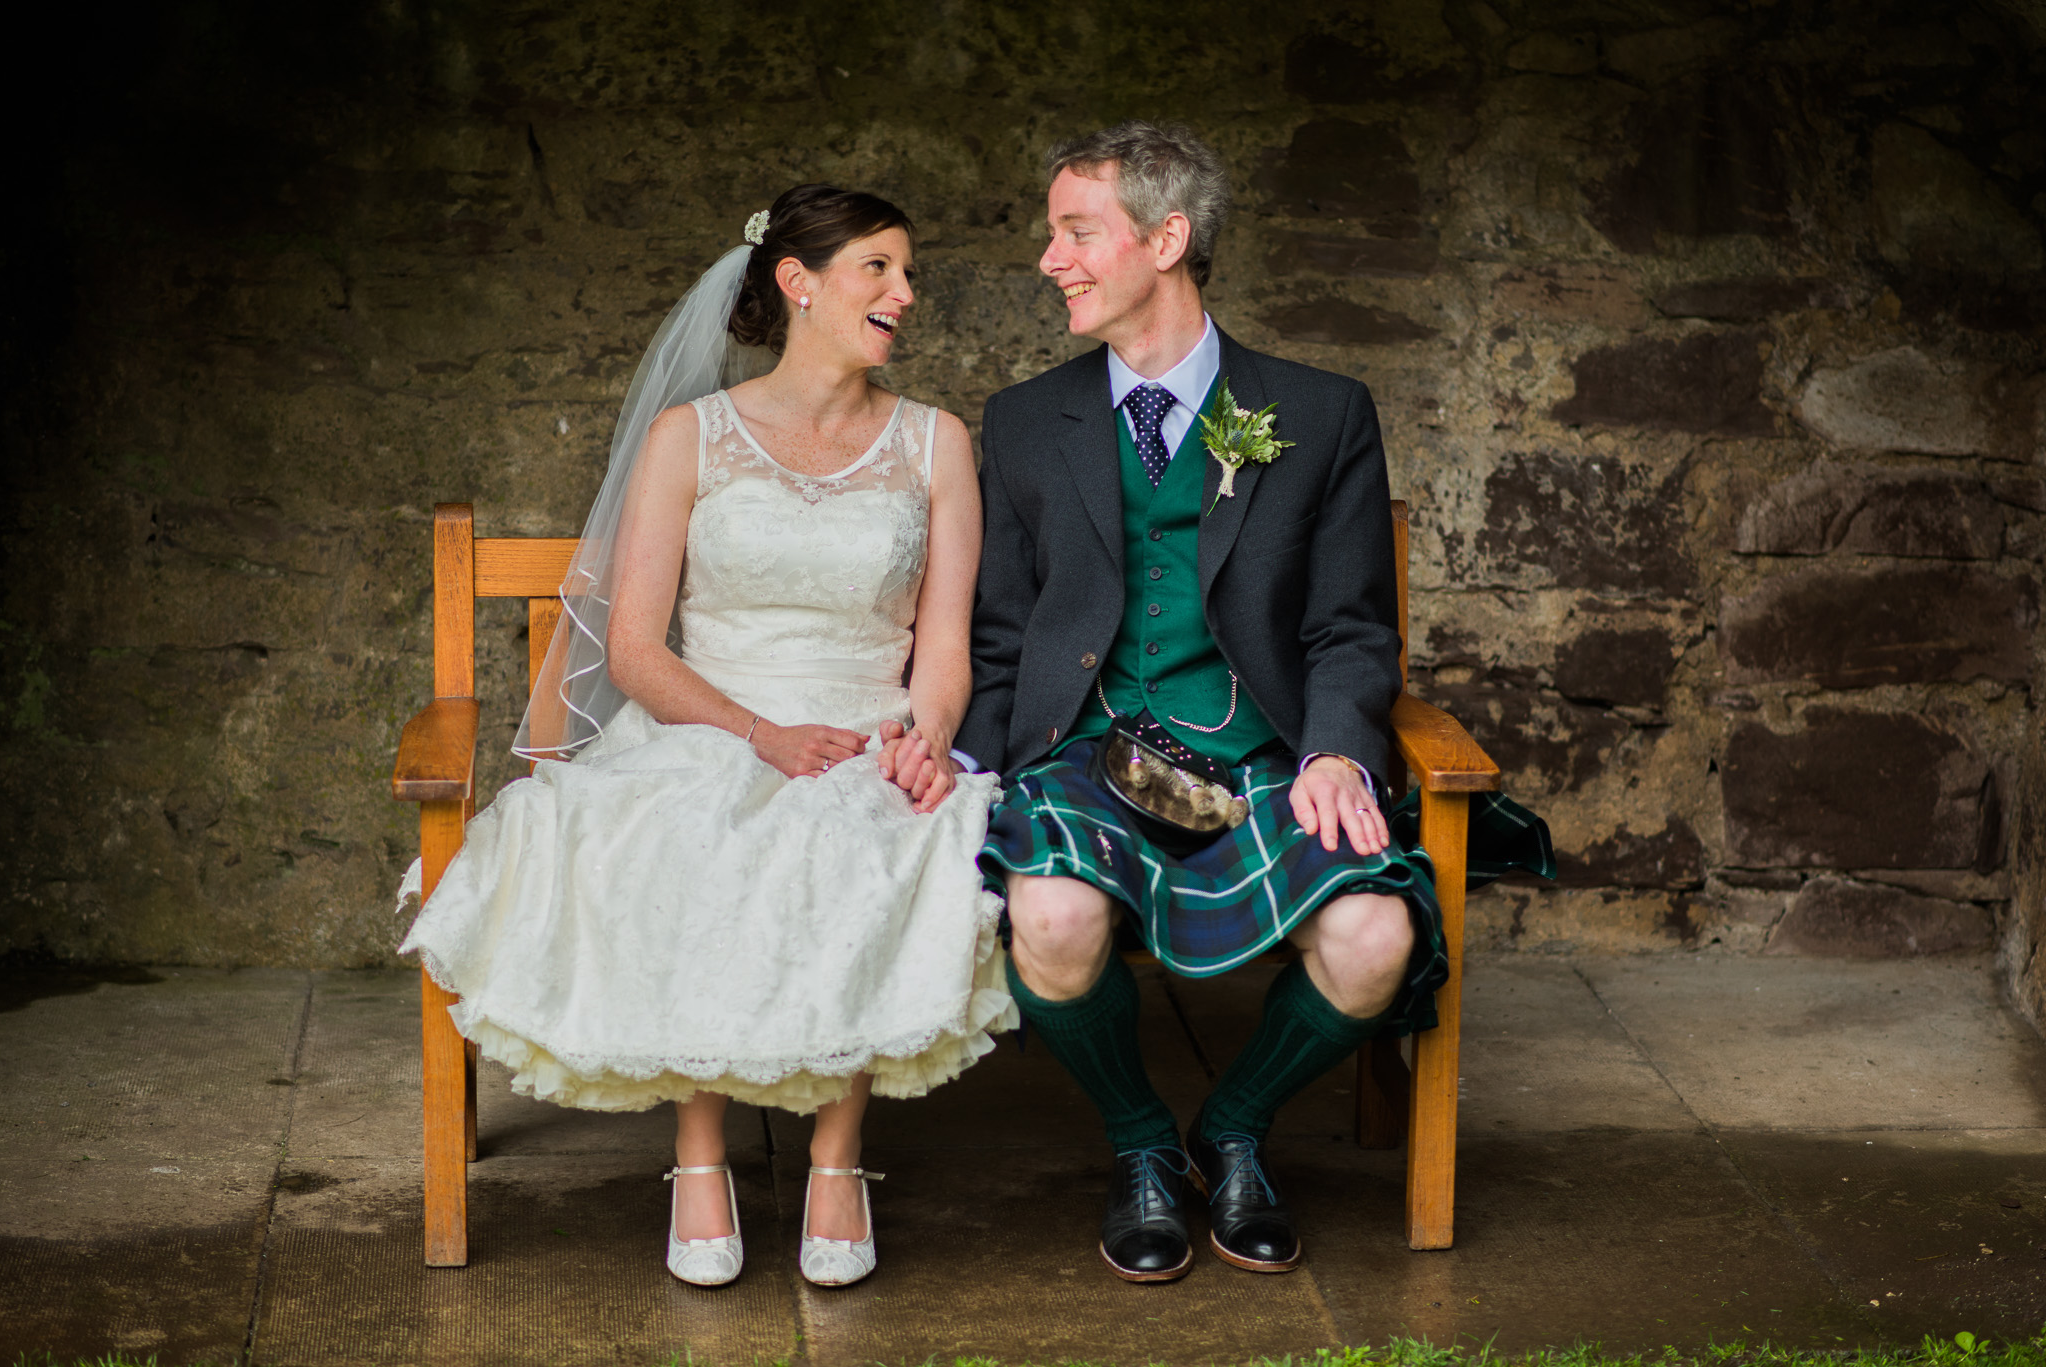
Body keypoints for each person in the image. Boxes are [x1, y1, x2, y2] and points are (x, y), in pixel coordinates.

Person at [961, 122, 1553, 1282]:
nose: (1049, 259)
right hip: (1083, 751)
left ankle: (1231, 1127)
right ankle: (1140, 1146)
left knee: (1375, 935)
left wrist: (1337, 747)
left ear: (1165, 238)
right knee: (1054, 920)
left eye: (1075, 232)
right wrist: (972, 771)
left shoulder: (1320, 411)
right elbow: (999, 635)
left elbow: (1347, 625)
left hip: (1259, 749)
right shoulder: (1026, 419)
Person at [400, 184, 1014, 1290]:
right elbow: (634, 648)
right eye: (878, 267)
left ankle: (836, 1159)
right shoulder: (692, 435)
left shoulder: (937, 442)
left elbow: (947, 646)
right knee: (695, 829)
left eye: (904, 271)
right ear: (799, 284)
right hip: (710, 715)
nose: (904, 293)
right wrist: (759, 733)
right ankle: (697, 1159)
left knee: (861, 829)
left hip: (867, 722)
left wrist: (921, 737)